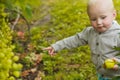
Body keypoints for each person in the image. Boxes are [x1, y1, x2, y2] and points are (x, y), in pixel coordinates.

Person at [44, 0, 120, 79]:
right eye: (93, 19)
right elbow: (75, 40)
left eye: (103, 17)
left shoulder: (118, 35)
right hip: (102, 74)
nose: (99, 22)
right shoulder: (90, 32)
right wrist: (56, 46)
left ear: (113, 15)